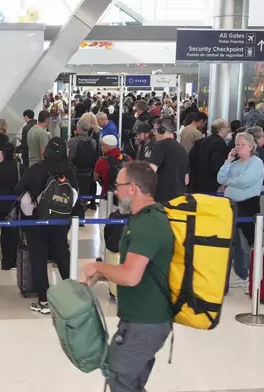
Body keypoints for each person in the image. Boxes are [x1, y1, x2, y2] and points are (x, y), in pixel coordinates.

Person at [80, 161, 173, 392]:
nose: (116, 190)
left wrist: (98, 268)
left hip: (145, 322)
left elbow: (131, 276)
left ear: (132, 188)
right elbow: (142, 270)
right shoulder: (146, 218)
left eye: (118, 185)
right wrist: (102, 276)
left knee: (121, 381)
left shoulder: (148, 223)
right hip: (144, 319)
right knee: (130, 382)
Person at [15, 137, 78, 314]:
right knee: (63, 255)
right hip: (61, 221)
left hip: (37, 221)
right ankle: (71, 297)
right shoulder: (70, 170)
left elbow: (18, 189)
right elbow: (75, 195)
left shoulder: (36, 169)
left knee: (39, 258)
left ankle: (43, 300)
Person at [218, 132, 264, 289]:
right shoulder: (235, 164)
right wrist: (228, 161)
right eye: (237, 144)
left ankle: (250, 275)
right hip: (230, 205)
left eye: (242, 144)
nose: (238, 147)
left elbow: (245, 181)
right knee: (234, 242)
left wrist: (229, 183)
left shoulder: (256, 162)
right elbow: (220, 178)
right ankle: (240, 273)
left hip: (248, 205)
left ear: (251, 147)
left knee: (246, 243)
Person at [148, 116, 189, 203]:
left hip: (161, 200)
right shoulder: (183, 150)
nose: (154, 133)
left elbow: (151, 172)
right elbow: (186, 180)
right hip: (179, 201)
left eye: (155, 130)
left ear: (161, 130)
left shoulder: (160, 145)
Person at [0, 142, 20, 270]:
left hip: (0, 202)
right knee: (14, 231)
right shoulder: (18, 167)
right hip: (14, 202)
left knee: (5, 231)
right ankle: (13, 260)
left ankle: (6, 261)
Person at [188, 119, 229, 194]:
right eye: (227, 128)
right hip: (210, 183)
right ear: (222, 129)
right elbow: (217, 165)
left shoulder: (202, 141)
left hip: (197, 180)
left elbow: (191, 157)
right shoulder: (219, 144)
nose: (229, 130)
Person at [67, 119, 97, 216]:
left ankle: (75, 214)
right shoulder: (93, 142)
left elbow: (69, 158)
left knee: (75, 194)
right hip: (88, 173)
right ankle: (83, 211)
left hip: (75, 173)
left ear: (79, 129)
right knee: (84, 194)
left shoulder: (72, 141)